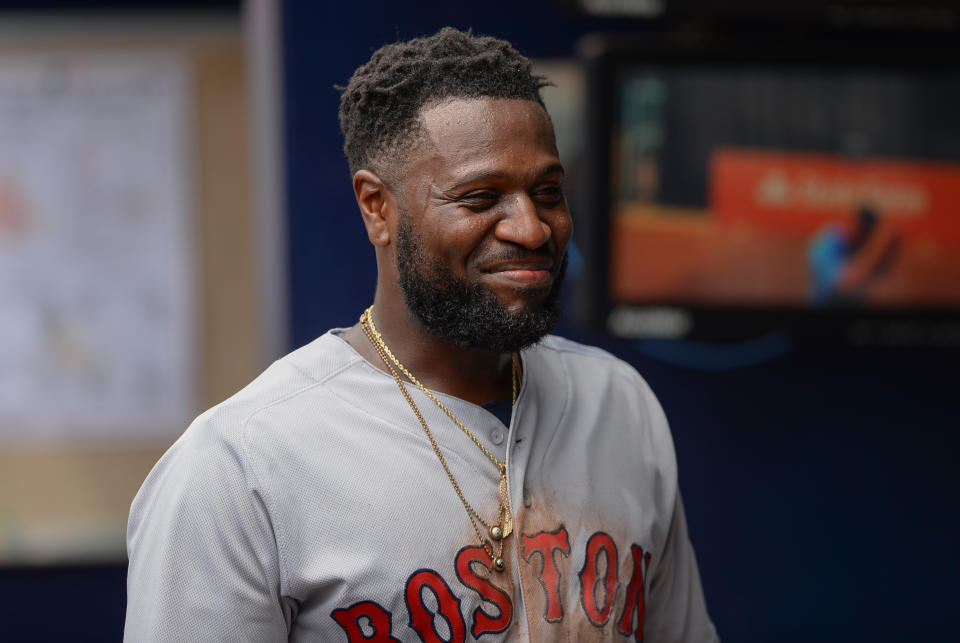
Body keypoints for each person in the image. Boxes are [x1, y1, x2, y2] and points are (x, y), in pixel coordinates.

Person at [124, 27, 718, 642]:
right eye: (481, 196)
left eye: (547, 193)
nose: (531, 228)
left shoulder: (620, 404)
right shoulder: (239, 468)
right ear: (377, 208)